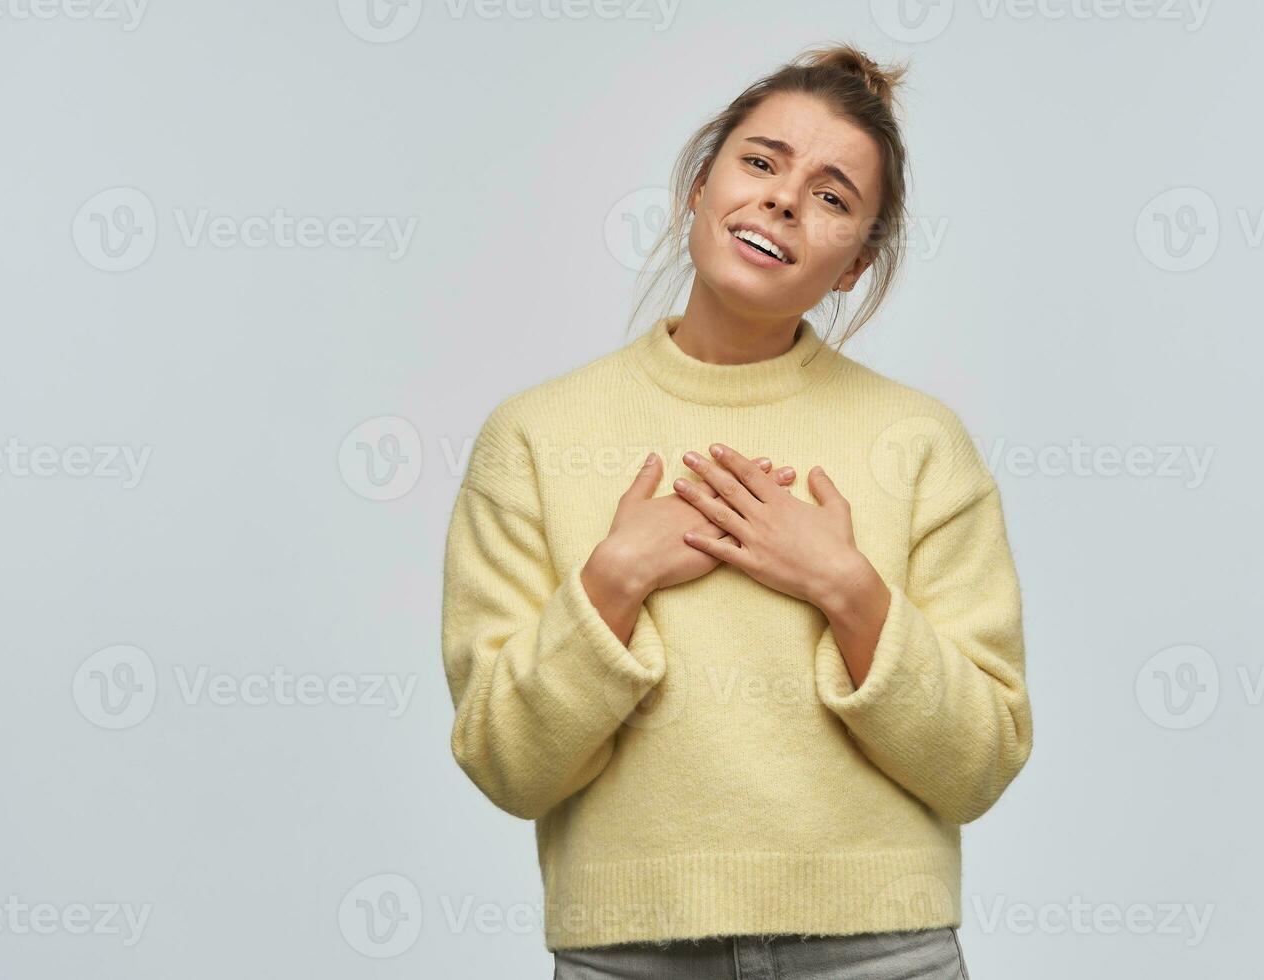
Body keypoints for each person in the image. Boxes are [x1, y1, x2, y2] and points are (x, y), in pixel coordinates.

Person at [442, 41, 1031, 979]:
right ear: (699, 187)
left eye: (834, 197)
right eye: (760, 162)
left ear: (854, 266)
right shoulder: (533, 437)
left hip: (882, 956)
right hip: (627, 957)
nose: (785, 199)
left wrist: (845, 586)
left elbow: (982, 762)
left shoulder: (920, 442)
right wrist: (614, 578)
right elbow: (506, 766)